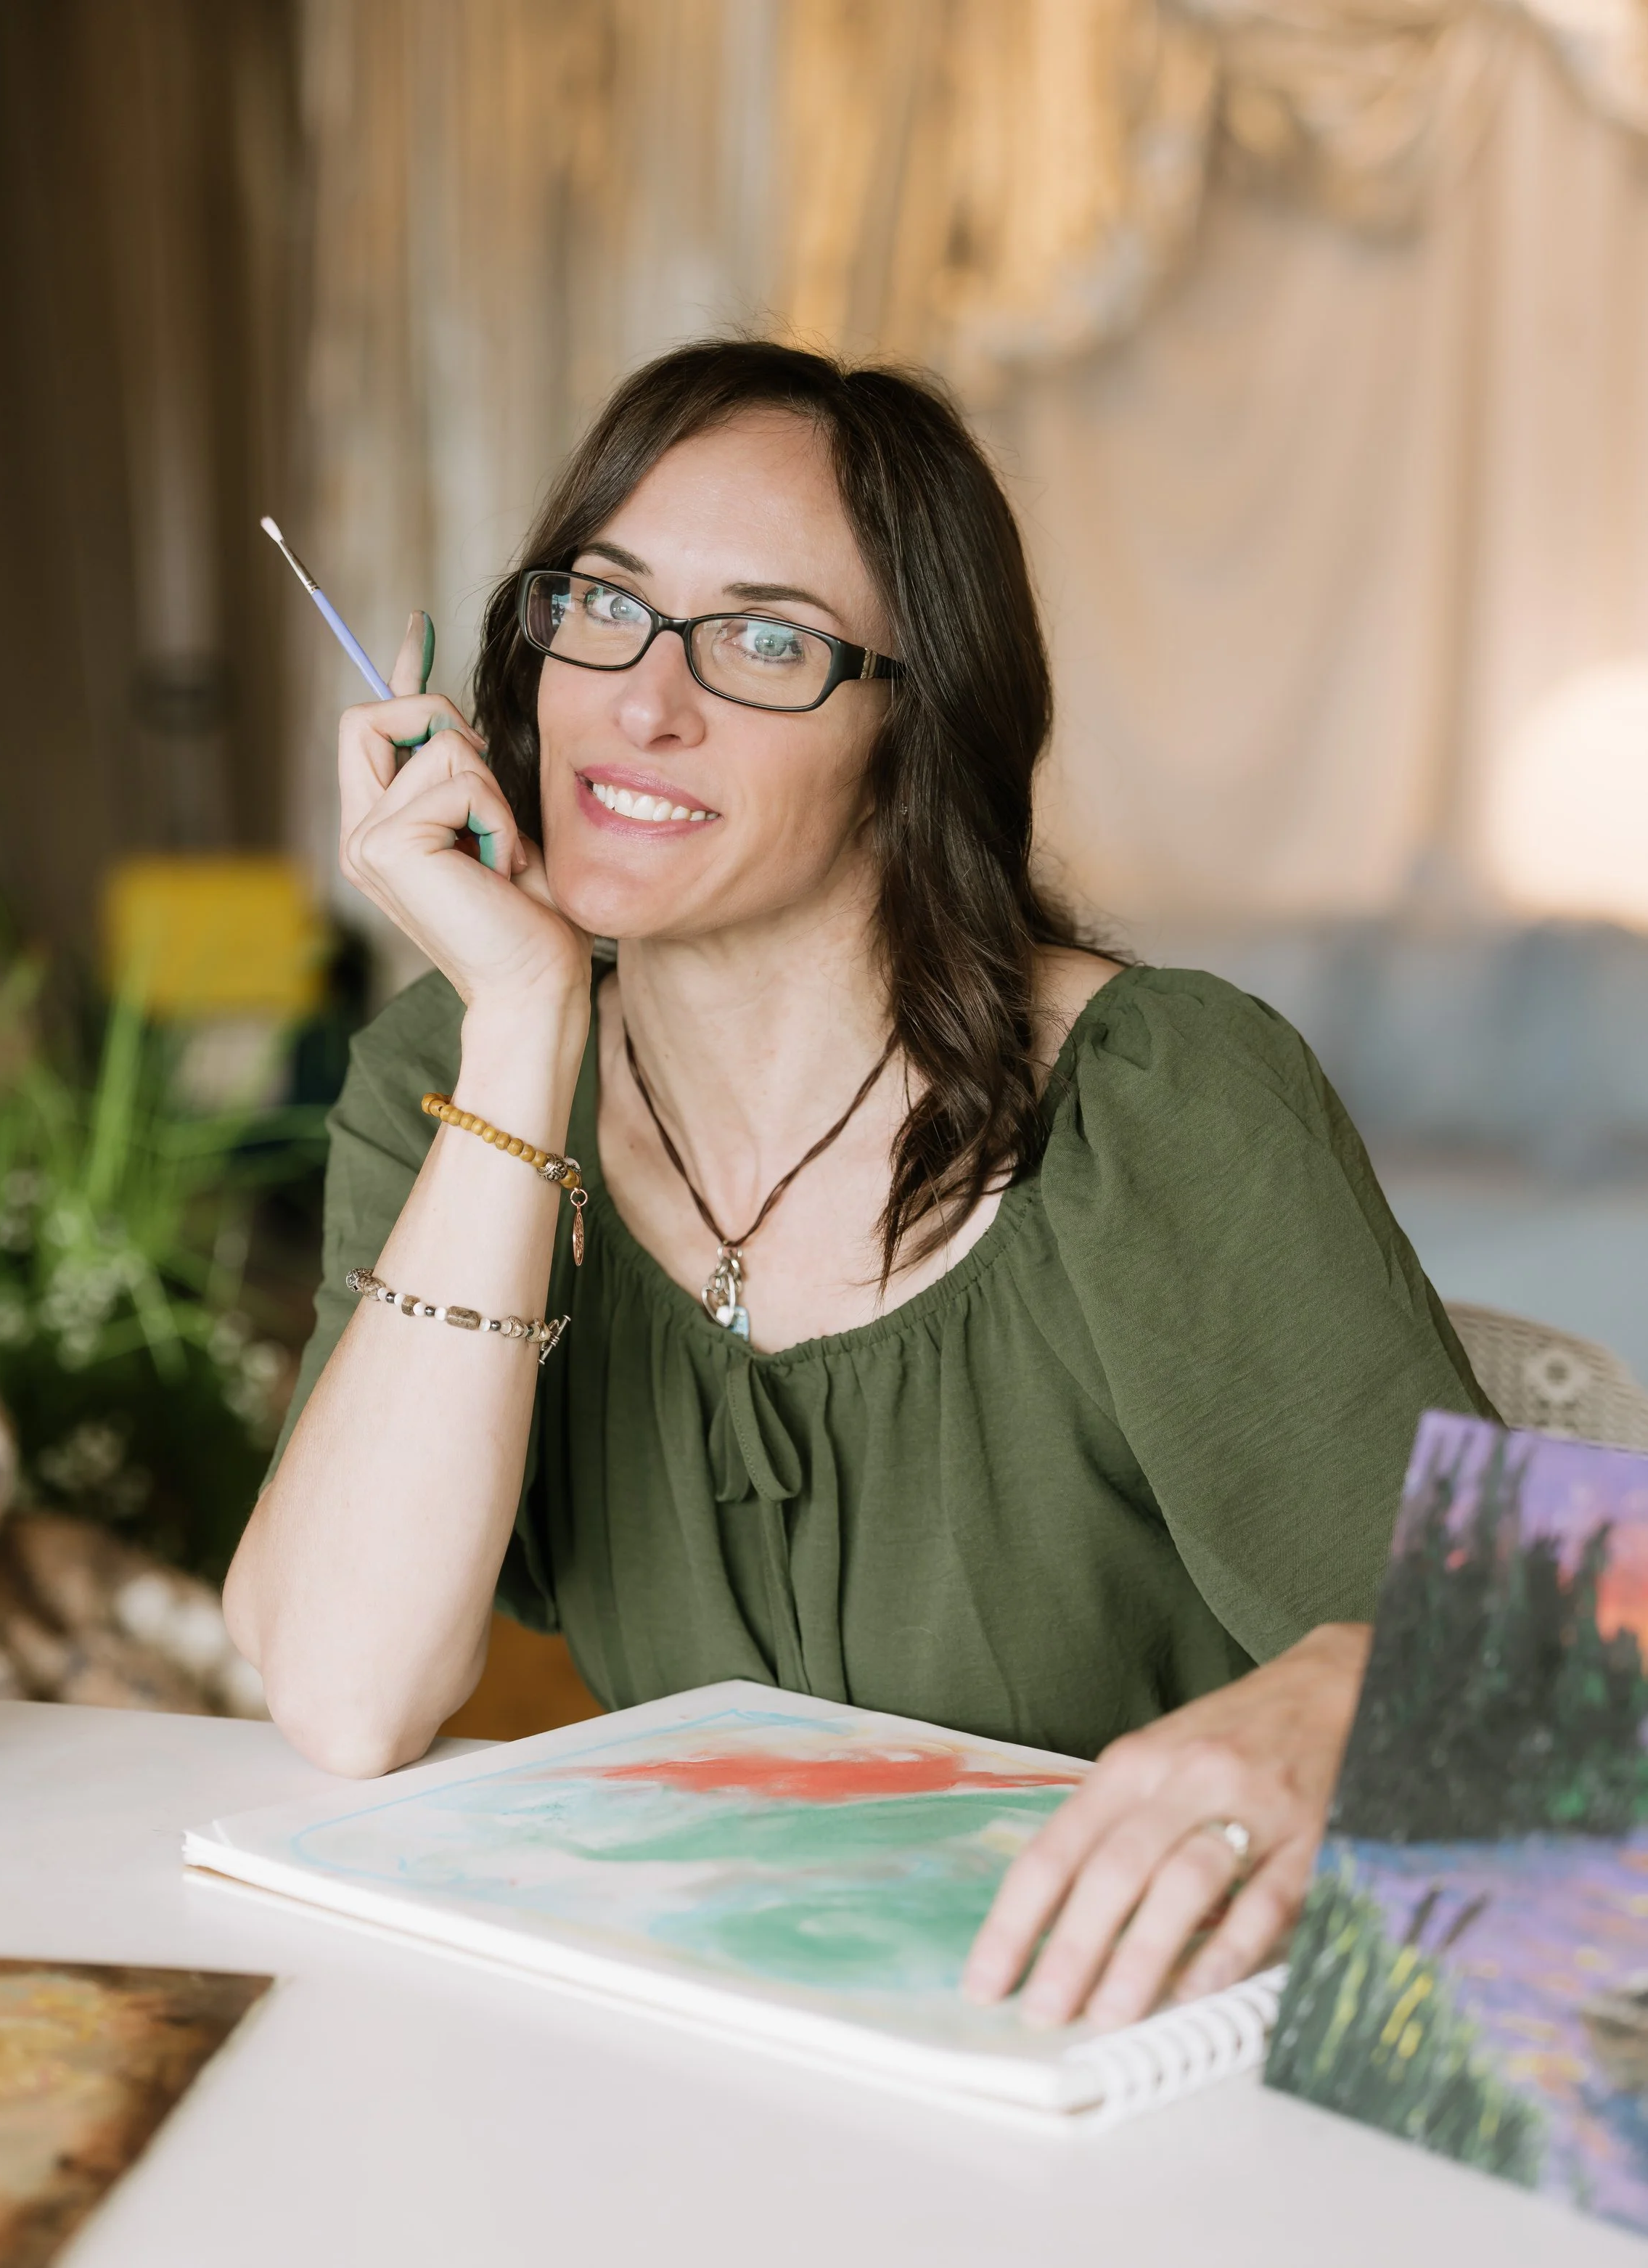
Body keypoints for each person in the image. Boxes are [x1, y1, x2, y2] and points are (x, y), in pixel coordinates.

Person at [224, 338, 1489, 2029]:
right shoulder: (452, 1076)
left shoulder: (1154, 1101)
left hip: (1143, 2055)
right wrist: (524, 1020)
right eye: (599, 603)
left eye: (764, 640)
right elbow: (343, 1688)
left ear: (916, 727)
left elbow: (1530, 1702)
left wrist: (1344, 1683)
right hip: (738, 2038)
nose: (639, 701)